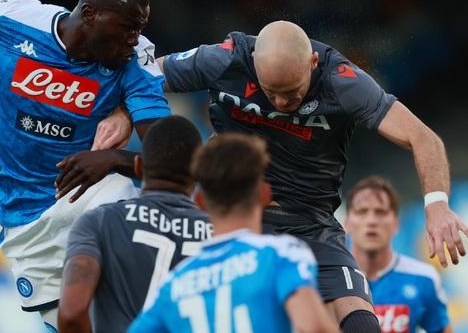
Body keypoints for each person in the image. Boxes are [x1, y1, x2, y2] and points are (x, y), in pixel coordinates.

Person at [96, 20, 467, 331]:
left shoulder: (343, 82)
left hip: (310, 224)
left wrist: (437, 205)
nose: (280, 104)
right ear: (254, 65)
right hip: (231, 217)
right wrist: (125, 114)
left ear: (313, 63)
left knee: (362, 324)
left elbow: (423, 137)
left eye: (291, 93)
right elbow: (151, 74)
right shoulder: (225, 59)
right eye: (270, 92)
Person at [0, 0, 171, 330]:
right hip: (24, 218)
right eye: (127, 28)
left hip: (88, 190)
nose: (134, 39)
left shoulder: (134, 61)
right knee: (71, 324)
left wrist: (113, 159)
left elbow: (169, 158)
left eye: (139, 29)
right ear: (89, 14)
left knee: (137, 259)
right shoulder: (18, 20)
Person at [129, 133, 338, 333]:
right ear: (264, 194)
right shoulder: (282, 254)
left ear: (199, 202)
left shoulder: (174, 283)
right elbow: (314, 327)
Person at [58, 116, 212, 333]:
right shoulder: (220, 234)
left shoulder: (99, 222)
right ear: (198, 173)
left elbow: (72, 315)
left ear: (138, 166)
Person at [344, 176, 452, 333]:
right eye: (362, 212)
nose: (371, 221)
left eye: (380, 212)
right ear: (346, 223)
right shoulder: (325, 277)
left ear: (396, 224)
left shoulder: (423, 277)